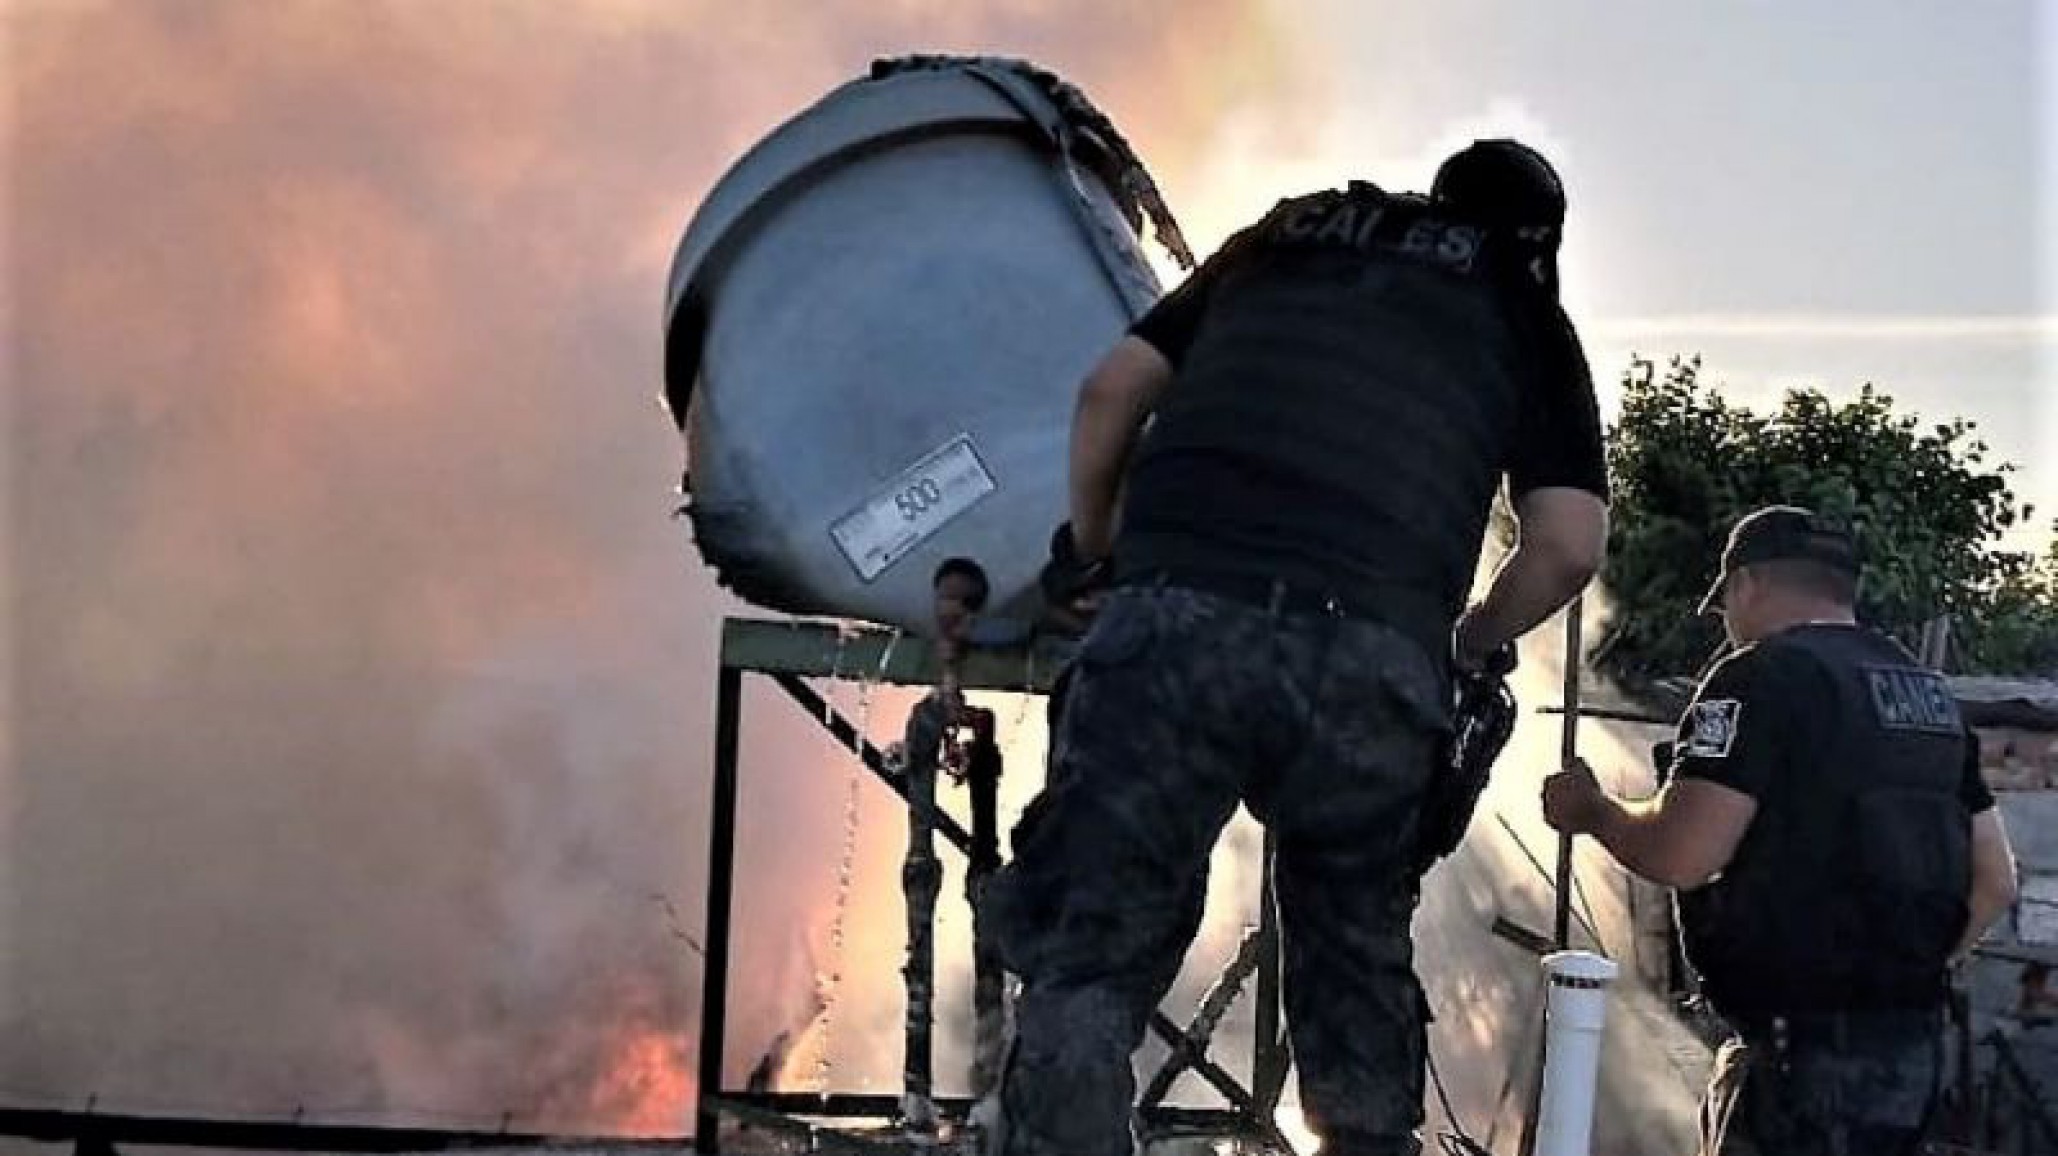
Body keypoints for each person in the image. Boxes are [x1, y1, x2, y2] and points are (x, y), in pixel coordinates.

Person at [985, 139, 1611, 1156]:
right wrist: (1467, 645)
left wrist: (1099, 555)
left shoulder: (1283, 237)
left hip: (1172, 621)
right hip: (1369, 655)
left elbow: (1109, 392)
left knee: (1088, 960)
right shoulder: (1521, 305)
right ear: (1540, 241)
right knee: (1353, 948)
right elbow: (1568, 546)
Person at [1542, 505, 2021, 1156]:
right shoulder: (1928, 697)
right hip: (1912, 1058)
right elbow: (1995, 882)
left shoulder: (1761, 677)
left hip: (1798, 1067)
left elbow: (1682, 854)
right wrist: (1897, 979)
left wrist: (1593, 810)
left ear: (1746, 584)